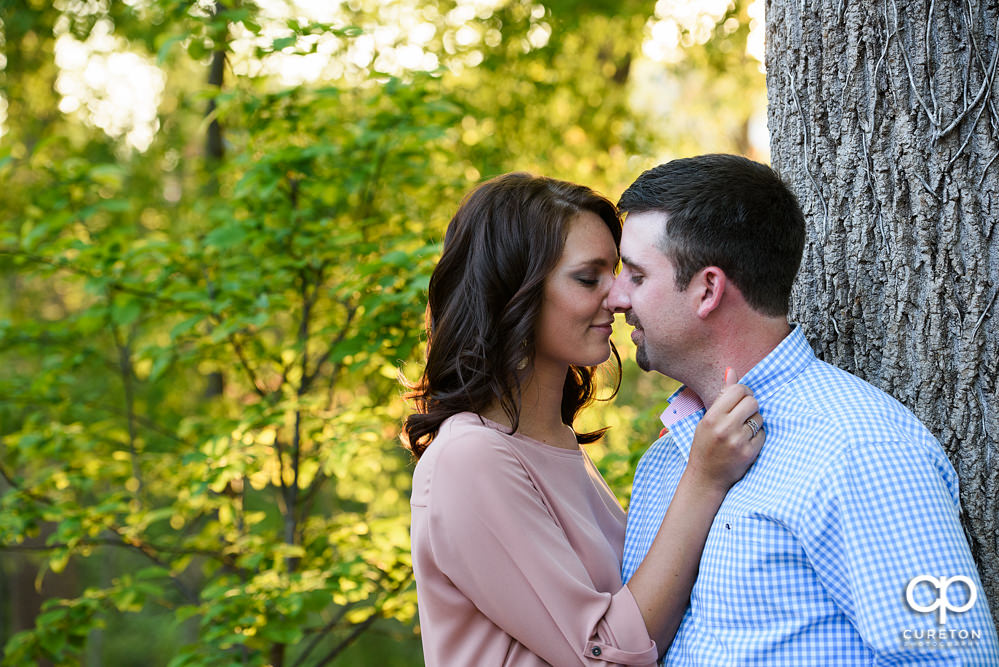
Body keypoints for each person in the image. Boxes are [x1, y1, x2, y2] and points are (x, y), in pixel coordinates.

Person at [607, 153, 999, 665]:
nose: (615, 297)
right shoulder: (667, 460)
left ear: (707, 290)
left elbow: (953, 655)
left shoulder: (862, 450)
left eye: (635, 275)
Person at [404, 172, 766, 666]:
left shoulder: (552, 441)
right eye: (587, 278)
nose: (619, 298)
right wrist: (703, 480)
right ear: (514, 293)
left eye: (616, 274)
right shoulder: (471, 458)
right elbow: (602, 653)